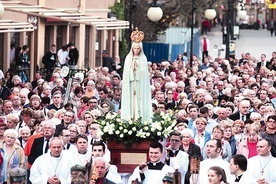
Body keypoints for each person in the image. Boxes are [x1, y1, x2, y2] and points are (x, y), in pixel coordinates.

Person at [121, 28, 152, 122]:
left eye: (138, 48)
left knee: (139, 100)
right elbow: (126, 73)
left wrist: (137, 70)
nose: (136, 50)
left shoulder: (143, 58)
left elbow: (144, 74)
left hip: (139, 85)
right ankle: (130, 117)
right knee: (131, 100)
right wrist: (131, 70)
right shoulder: (128, 58)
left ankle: (140, 117)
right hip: (131, 84)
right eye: (135, 48)